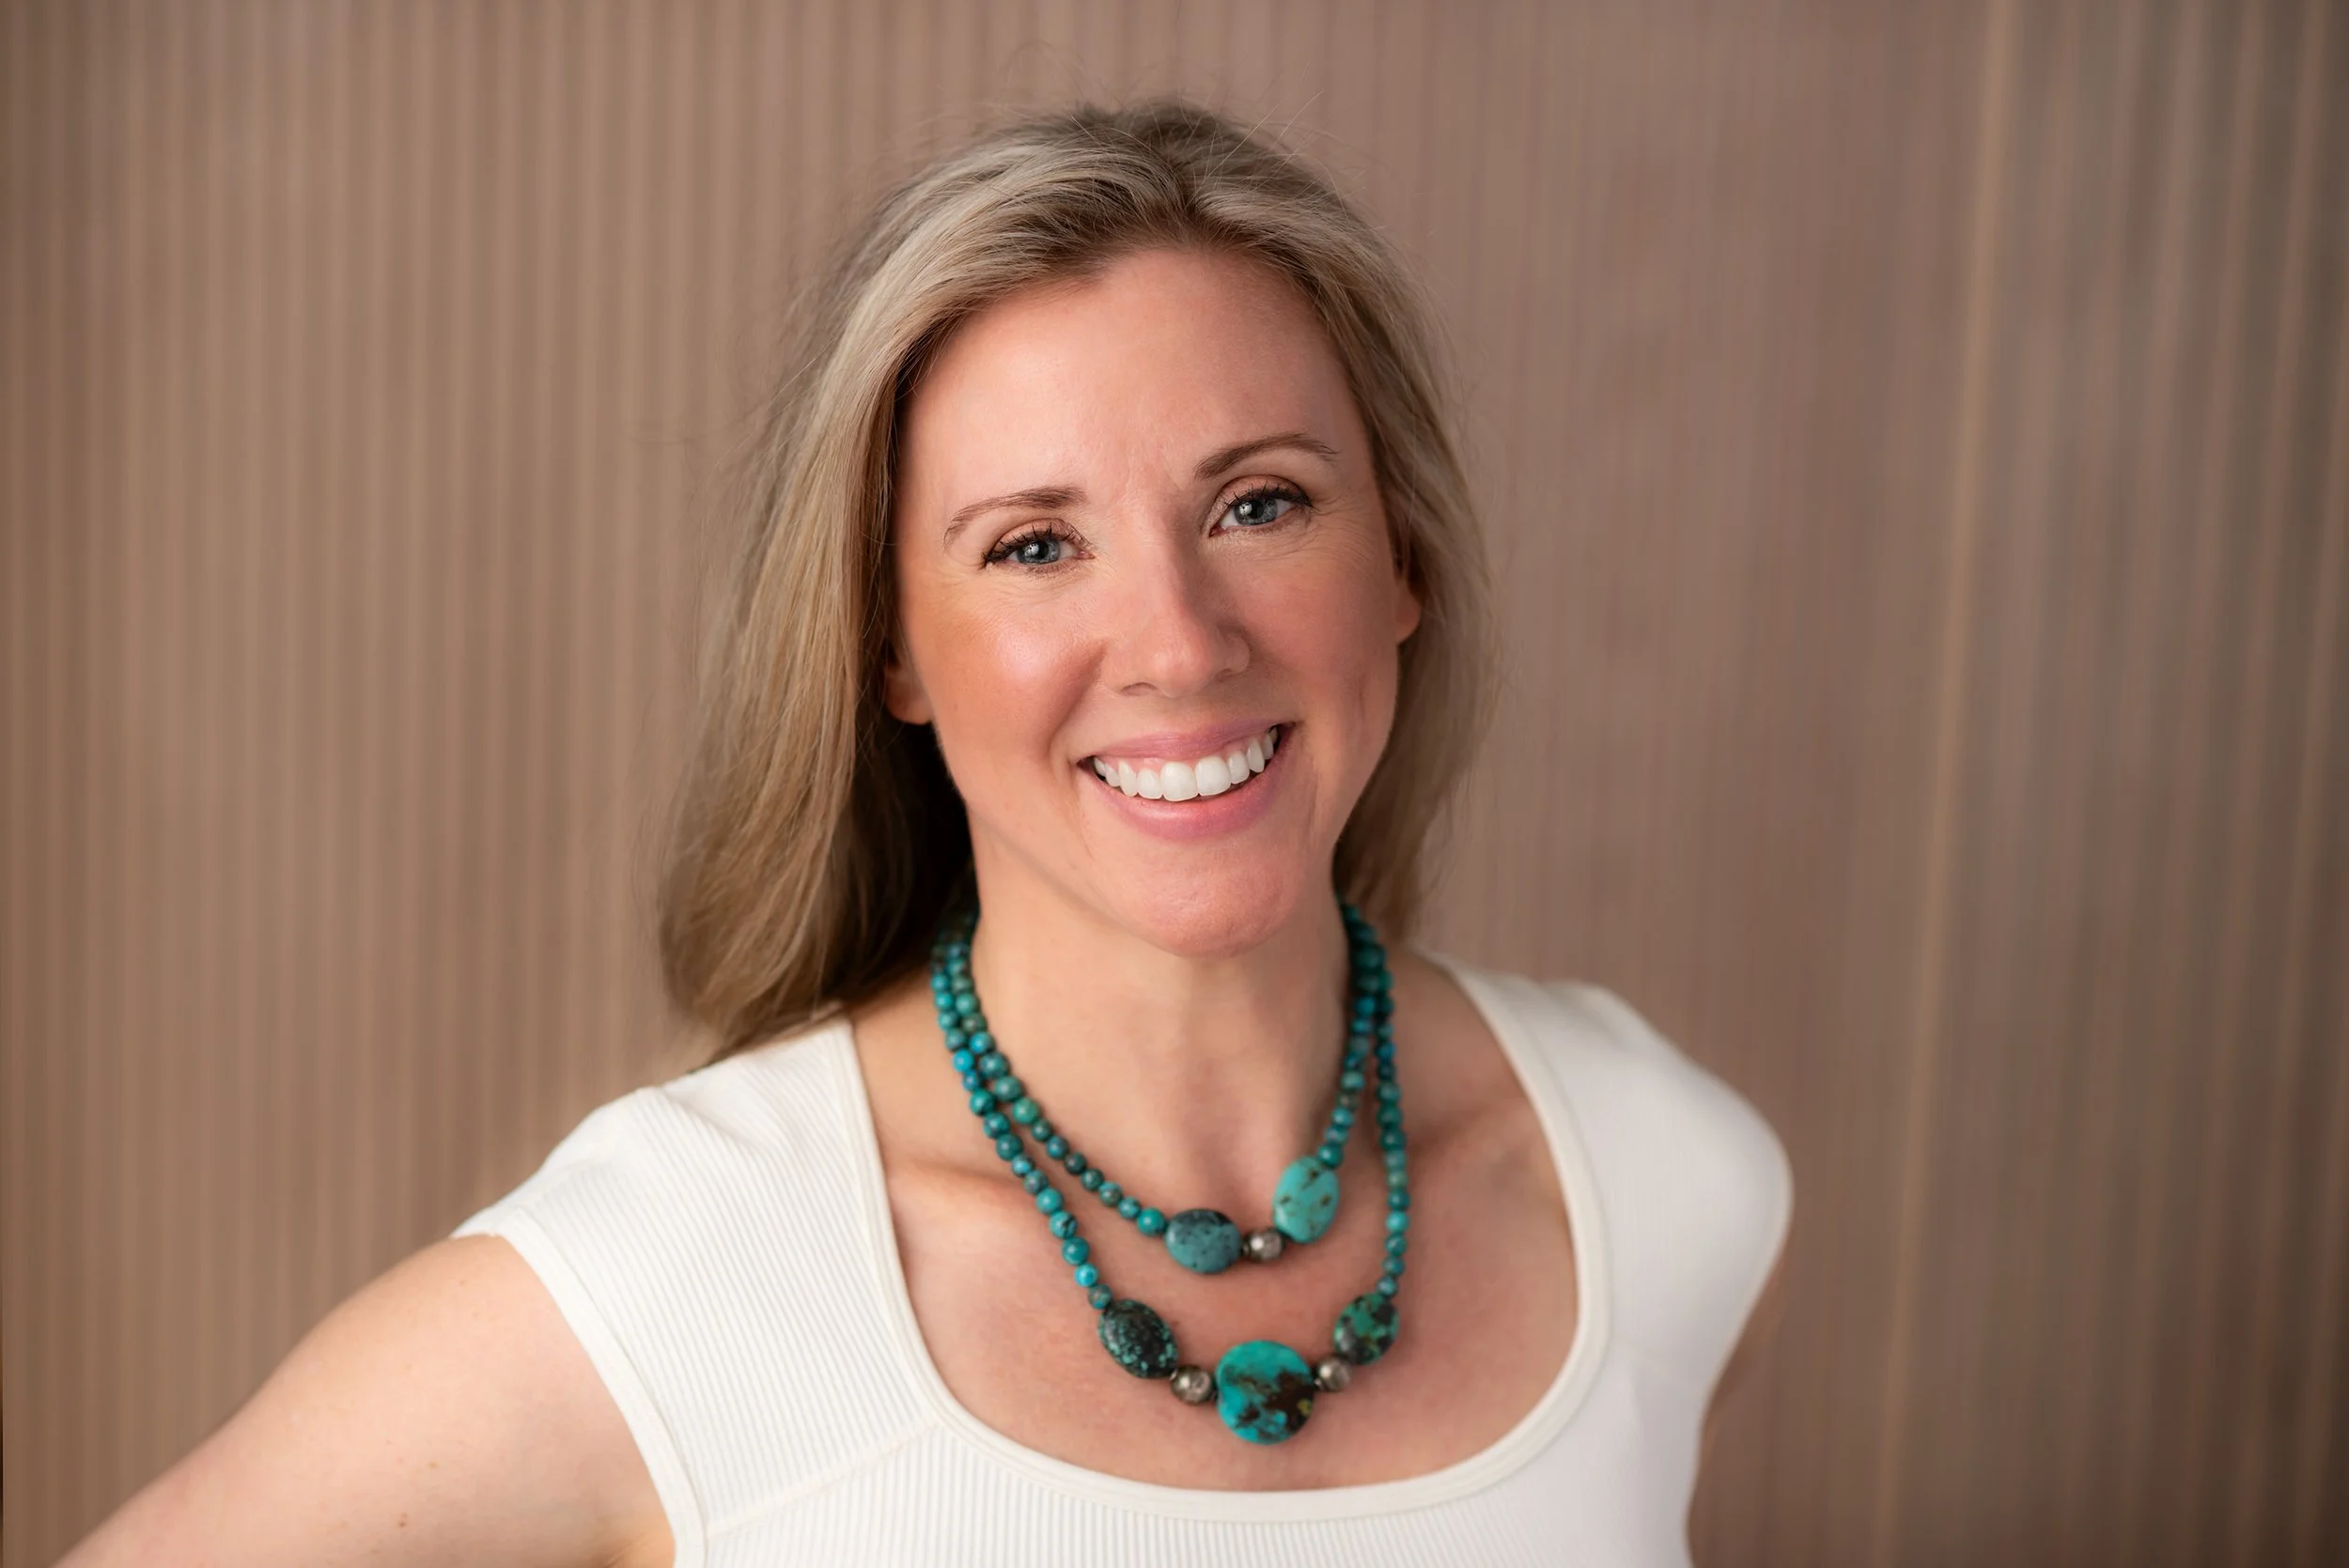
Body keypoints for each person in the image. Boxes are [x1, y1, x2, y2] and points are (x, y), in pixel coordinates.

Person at [61, 98, 1791, 1567]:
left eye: (1260, 503)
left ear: (1400, 558)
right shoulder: (677, 1274)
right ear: (886, 646)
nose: (1183, 643)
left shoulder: (1662, 1175)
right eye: (1034, 545)